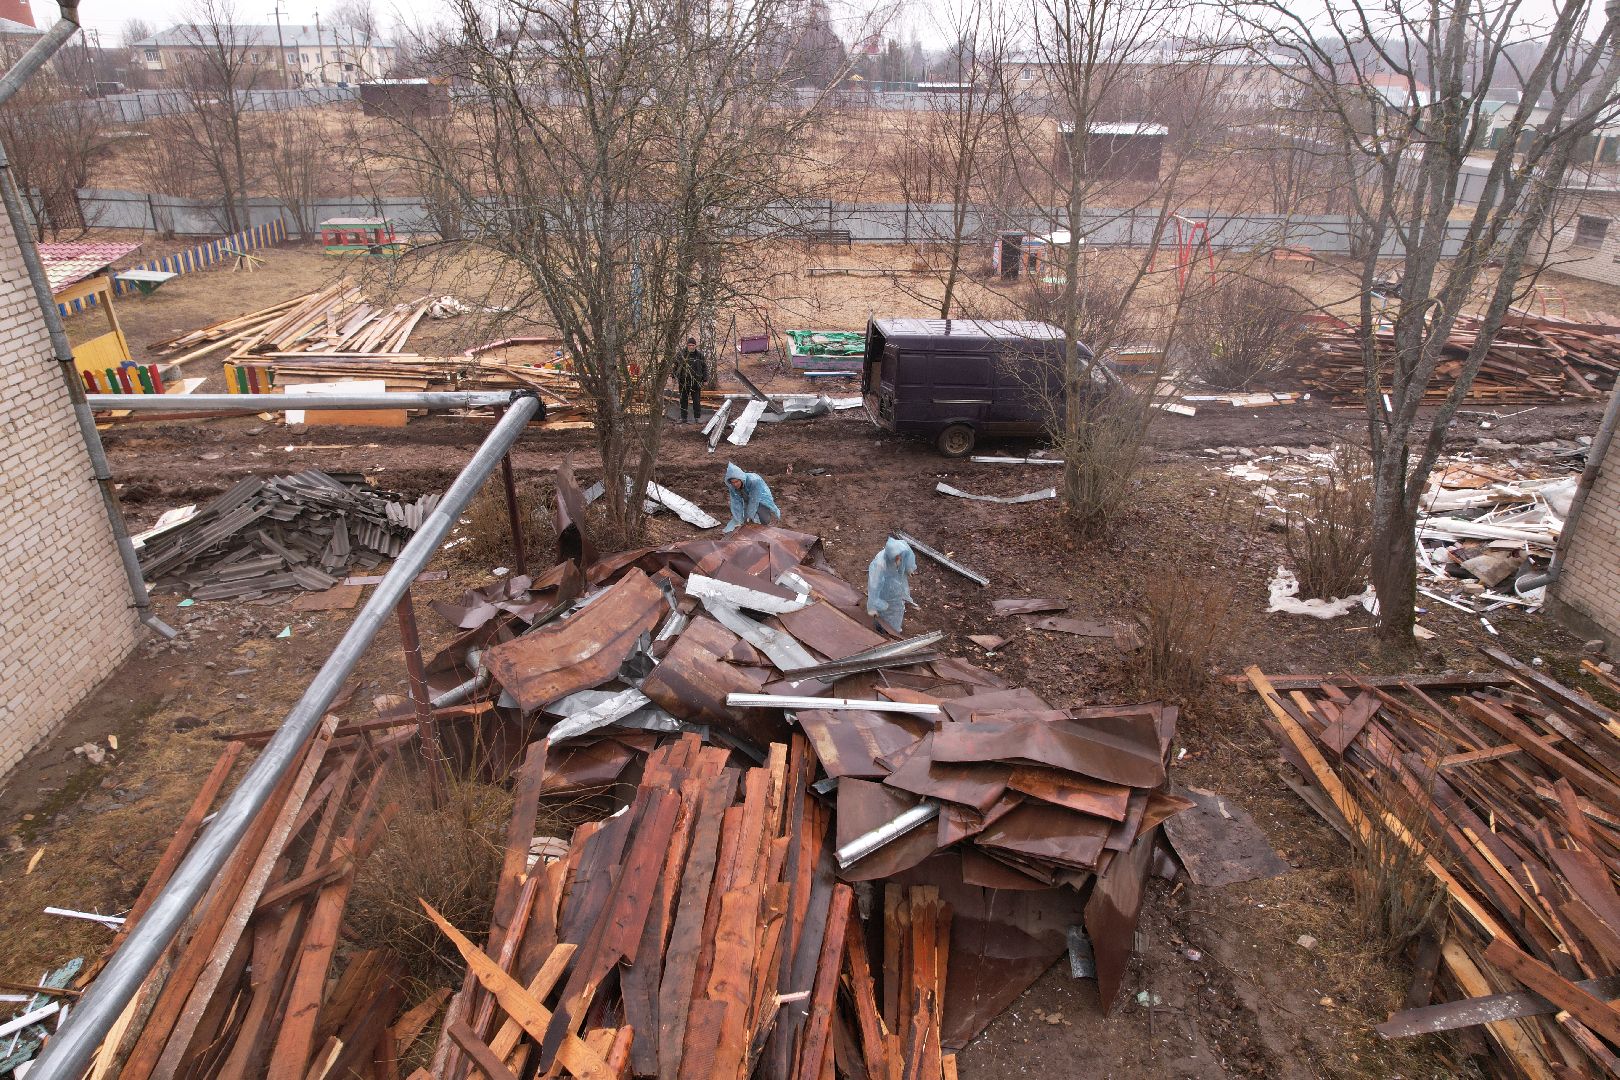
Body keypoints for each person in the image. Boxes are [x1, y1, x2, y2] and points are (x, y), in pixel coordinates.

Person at [867, 535, 917, 634]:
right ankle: (883, 630)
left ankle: (895, 630)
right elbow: (874, 586)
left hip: (896, 589)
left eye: (899, 557)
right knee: (884, 615)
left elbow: (909, 556)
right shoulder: (880, 564)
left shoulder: (902, 550)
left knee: (897, 609)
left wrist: (909, 568)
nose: (899, 559)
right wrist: (873, 606)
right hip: (885, 591)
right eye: (896, 558)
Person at [723, 462, 781, 533]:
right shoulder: (732, 487)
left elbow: (754, 500)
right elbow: (736, 503)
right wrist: (739, 520)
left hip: (760, 497)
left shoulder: (754, 481)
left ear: (741, 479)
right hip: (746, 496)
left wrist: (749, 517)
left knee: (765, 521)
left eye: (736, 481)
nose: (735, 484)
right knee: (743, 519)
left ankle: (763, 514)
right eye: (733, 482)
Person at [675, 337, 708, 423]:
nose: (691, 347)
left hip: (696, 382)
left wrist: (705, 379)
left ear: (695, 345)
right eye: (689, 345)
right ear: (687, 345)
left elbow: (704, 368)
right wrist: (674, 376)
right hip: (683, 382)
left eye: (693, 345)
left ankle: (697, 417)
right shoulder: (681, 354)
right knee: (683, 400)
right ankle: (683, 418)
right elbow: (675, 366)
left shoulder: (699, 355)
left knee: (696, 401)